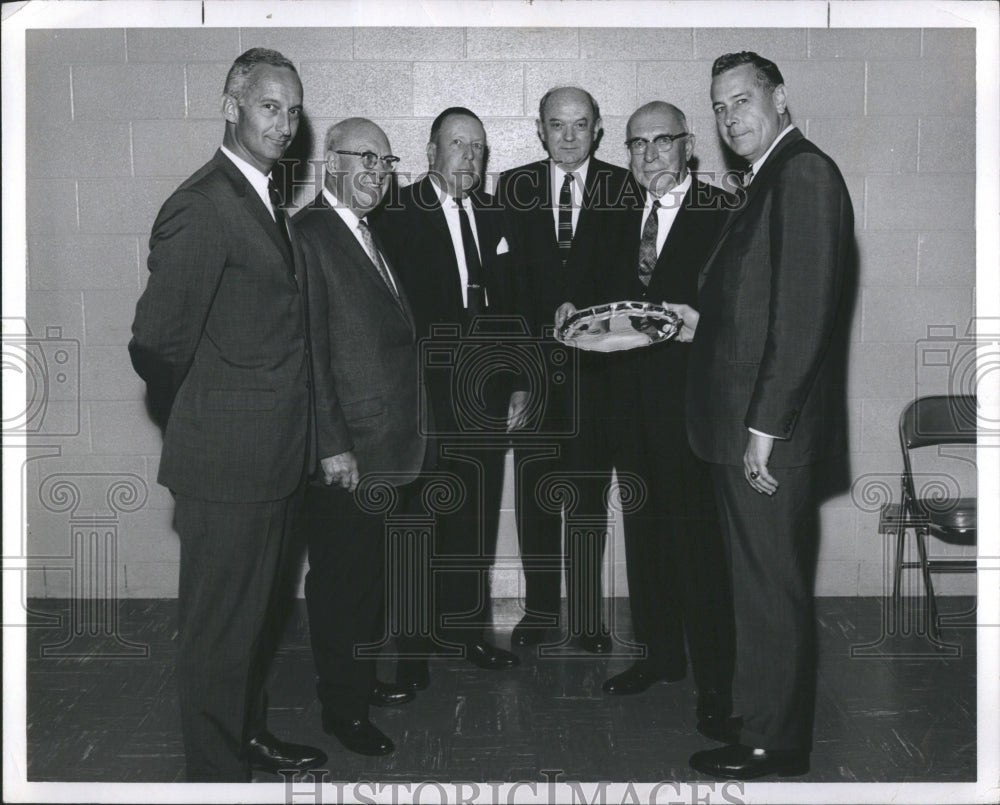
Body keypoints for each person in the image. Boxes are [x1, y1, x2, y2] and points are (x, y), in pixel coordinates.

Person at [128, 48, 326, 781]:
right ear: (231, 105)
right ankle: (216, 776)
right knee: (218, 631)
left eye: (293, 109)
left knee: (253, 622)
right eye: (270, 106)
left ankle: (247, 733)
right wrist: (216, 411)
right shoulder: (203, 203)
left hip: (273, 458)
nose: (284, 123)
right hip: (228, 463)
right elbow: (155, 342)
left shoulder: (262, 195)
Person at [674, 52, 854, 779]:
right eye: (718, 107)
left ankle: (774, 745)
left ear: (781, 97)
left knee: (769, 590)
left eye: (742, 100)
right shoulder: (770, 176)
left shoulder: (804, 172)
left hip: (768, 434)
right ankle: (760, 722)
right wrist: (699, 323)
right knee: (756, 586)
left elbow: (805, 315)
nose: (730, 118)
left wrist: (766, 429)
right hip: (746, 423)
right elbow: (759, 302)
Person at [566, 101, 736, 741]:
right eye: (636, 145)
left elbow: (739, 315)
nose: (647, 156)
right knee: (644, 537)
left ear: (688, 145)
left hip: (693, 411)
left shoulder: (723, 213)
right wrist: (568, 308)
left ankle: (718, 686)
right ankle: (660, 657)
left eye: (661, 142)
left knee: (699, 551)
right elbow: (588, 292)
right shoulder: (611, 212)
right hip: (627, 408)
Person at [374, 107, 520, 690]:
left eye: (479, 148)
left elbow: (512, 308)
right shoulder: (396, 216)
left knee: (474, 521)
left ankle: (468, 633)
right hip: (423, 401)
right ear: (431, 152)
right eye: (457, 144)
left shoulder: (495, 213)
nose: (469, 157)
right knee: (417, 526)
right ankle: (411, 653)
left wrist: (516, 382)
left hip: (483, 397)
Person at [293, 118, 424, 757]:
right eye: (363, 158)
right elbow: (310, 353)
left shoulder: (366, 232)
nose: (376, 170)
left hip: (385, 446)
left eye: (385, 159)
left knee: (368, 576)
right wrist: (330, 443)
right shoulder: (310, 235)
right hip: (348, 452)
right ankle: (341, 709)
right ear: (330, 164)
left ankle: (360, 679)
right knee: (343, 582)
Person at [495, 87, 630, 653]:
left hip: (598, 378)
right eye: (557, 125)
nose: (569, 136)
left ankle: (590, 619)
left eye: (580, 125)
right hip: (534, 378)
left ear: (598, 128)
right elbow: (506, 286)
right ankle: (542, 610)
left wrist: (594, 318)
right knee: (535, 497)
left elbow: (635, 276)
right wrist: (515, 378)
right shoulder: (513, 186)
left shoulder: (624, 186)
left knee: (588, 498)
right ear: (539, 129)